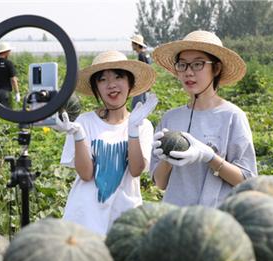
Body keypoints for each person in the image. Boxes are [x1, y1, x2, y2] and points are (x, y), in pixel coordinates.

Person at [54, 50, 157, 235]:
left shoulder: (143, 125)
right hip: (85, 219)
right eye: (102, 80)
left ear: (130, 83)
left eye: (118, 77)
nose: (111, 85)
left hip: (125, 221)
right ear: (96, 88)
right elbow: (86, 174)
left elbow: (136, 170)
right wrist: (78, 135)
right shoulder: (84, 122)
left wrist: (133, 130)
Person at [150, 30, 257, 207]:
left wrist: (210, 157)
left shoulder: (232, 116)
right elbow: (160, 183)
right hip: (175, 219)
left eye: (198, 64)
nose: (188, 72)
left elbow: (246, 182)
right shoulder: (170, 118)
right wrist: (167, 159)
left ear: (216, 68)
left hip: (215, 222)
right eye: (182, 65)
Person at [129, 34, 152, 110]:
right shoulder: (145, 54)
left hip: (142, 83)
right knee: (142, 104)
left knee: (136, 106)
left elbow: (145, 70)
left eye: (132, 43)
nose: (131, 45)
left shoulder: (141, 55)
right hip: (145, 83)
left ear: (136, 45)